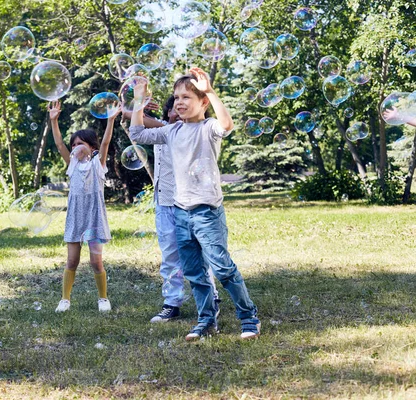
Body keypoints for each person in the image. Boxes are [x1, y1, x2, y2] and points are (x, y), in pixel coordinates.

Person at [129, 67, 260, 341]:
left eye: (187, 96)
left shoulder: (208, 128)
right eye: (176, 97)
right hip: (180, 213)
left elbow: (226, 125)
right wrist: (139, 99)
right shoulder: (171, 131)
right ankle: (206, 321)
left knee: (222, 268)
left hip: (207, 212)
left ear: (202, 103)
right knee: (194, 272)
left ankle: (249, 319)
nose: (179, 102)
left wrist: (210, 91)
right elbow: (138, 133)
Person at [123, 98, 221, 324]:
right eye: (174, 111)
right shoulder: (162, 131)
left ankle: (211, 299)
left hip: (188, 203)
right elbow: (131, 117)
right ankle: (172, 303)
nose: (178, 115)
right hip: (164, 202)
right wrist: (138, 103)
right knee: (169, 255)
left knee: (199, 253)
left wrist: (142, 114)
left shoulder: (188, 132)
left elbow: (146, 122)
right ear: (167, 115)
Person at [48, 100, 119, 313]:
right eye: (74, 145)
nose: (76, 147)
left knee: (96, 262)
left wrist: (111, 120)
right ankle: (65, 299)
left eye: (81, 144)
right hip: (75, 217)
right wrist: (54, 121)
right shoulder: (72, 166)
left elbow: (106, 143)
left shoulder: (98, 164)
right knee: (72, 260)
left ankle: (103, 298)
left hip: (94, 217)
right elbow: (60, 144)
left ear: (92, 147)